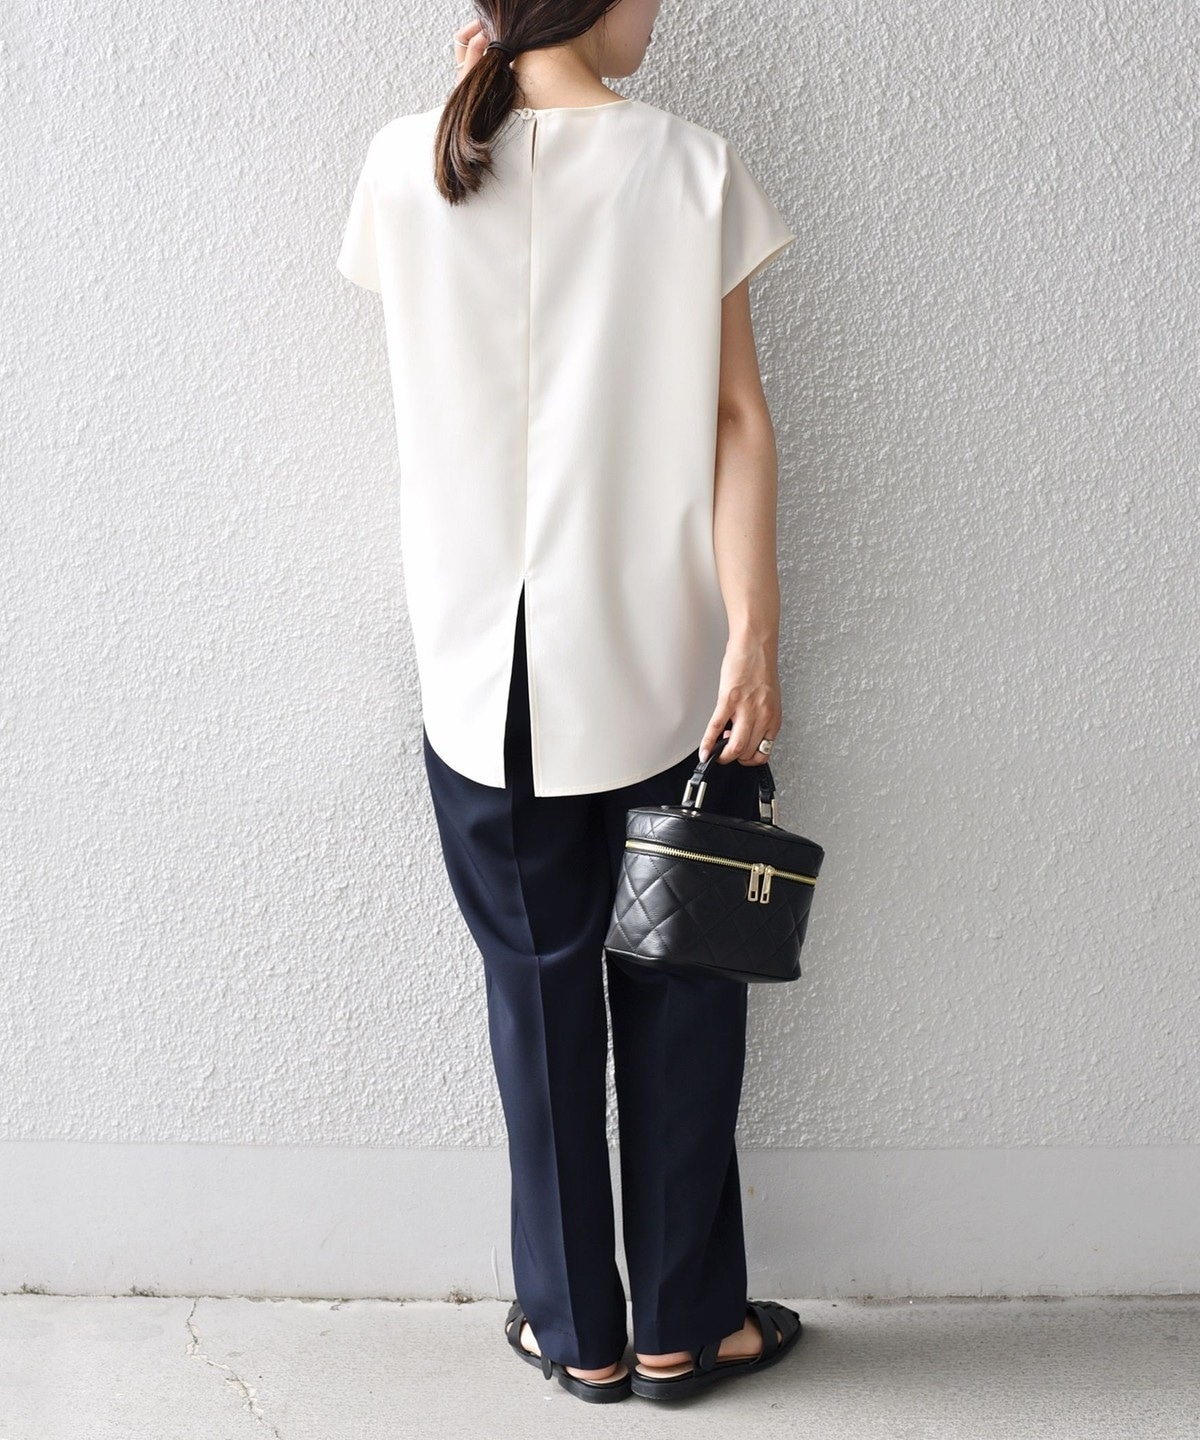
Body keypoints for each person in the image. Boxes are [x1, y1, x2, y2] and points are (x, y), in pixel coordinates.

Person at [336, 0, 803, 1405]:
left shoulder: (404, 160)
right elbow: (736, 419)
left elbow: (470, 264)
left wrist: (475, 84)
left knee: (536, 1010)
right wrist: (755, 637)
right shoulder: (691, 169)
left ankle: (577, 1332)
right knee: (682, 994)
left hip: (482, 680)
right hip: (670, 675)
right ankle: (685, 1328)